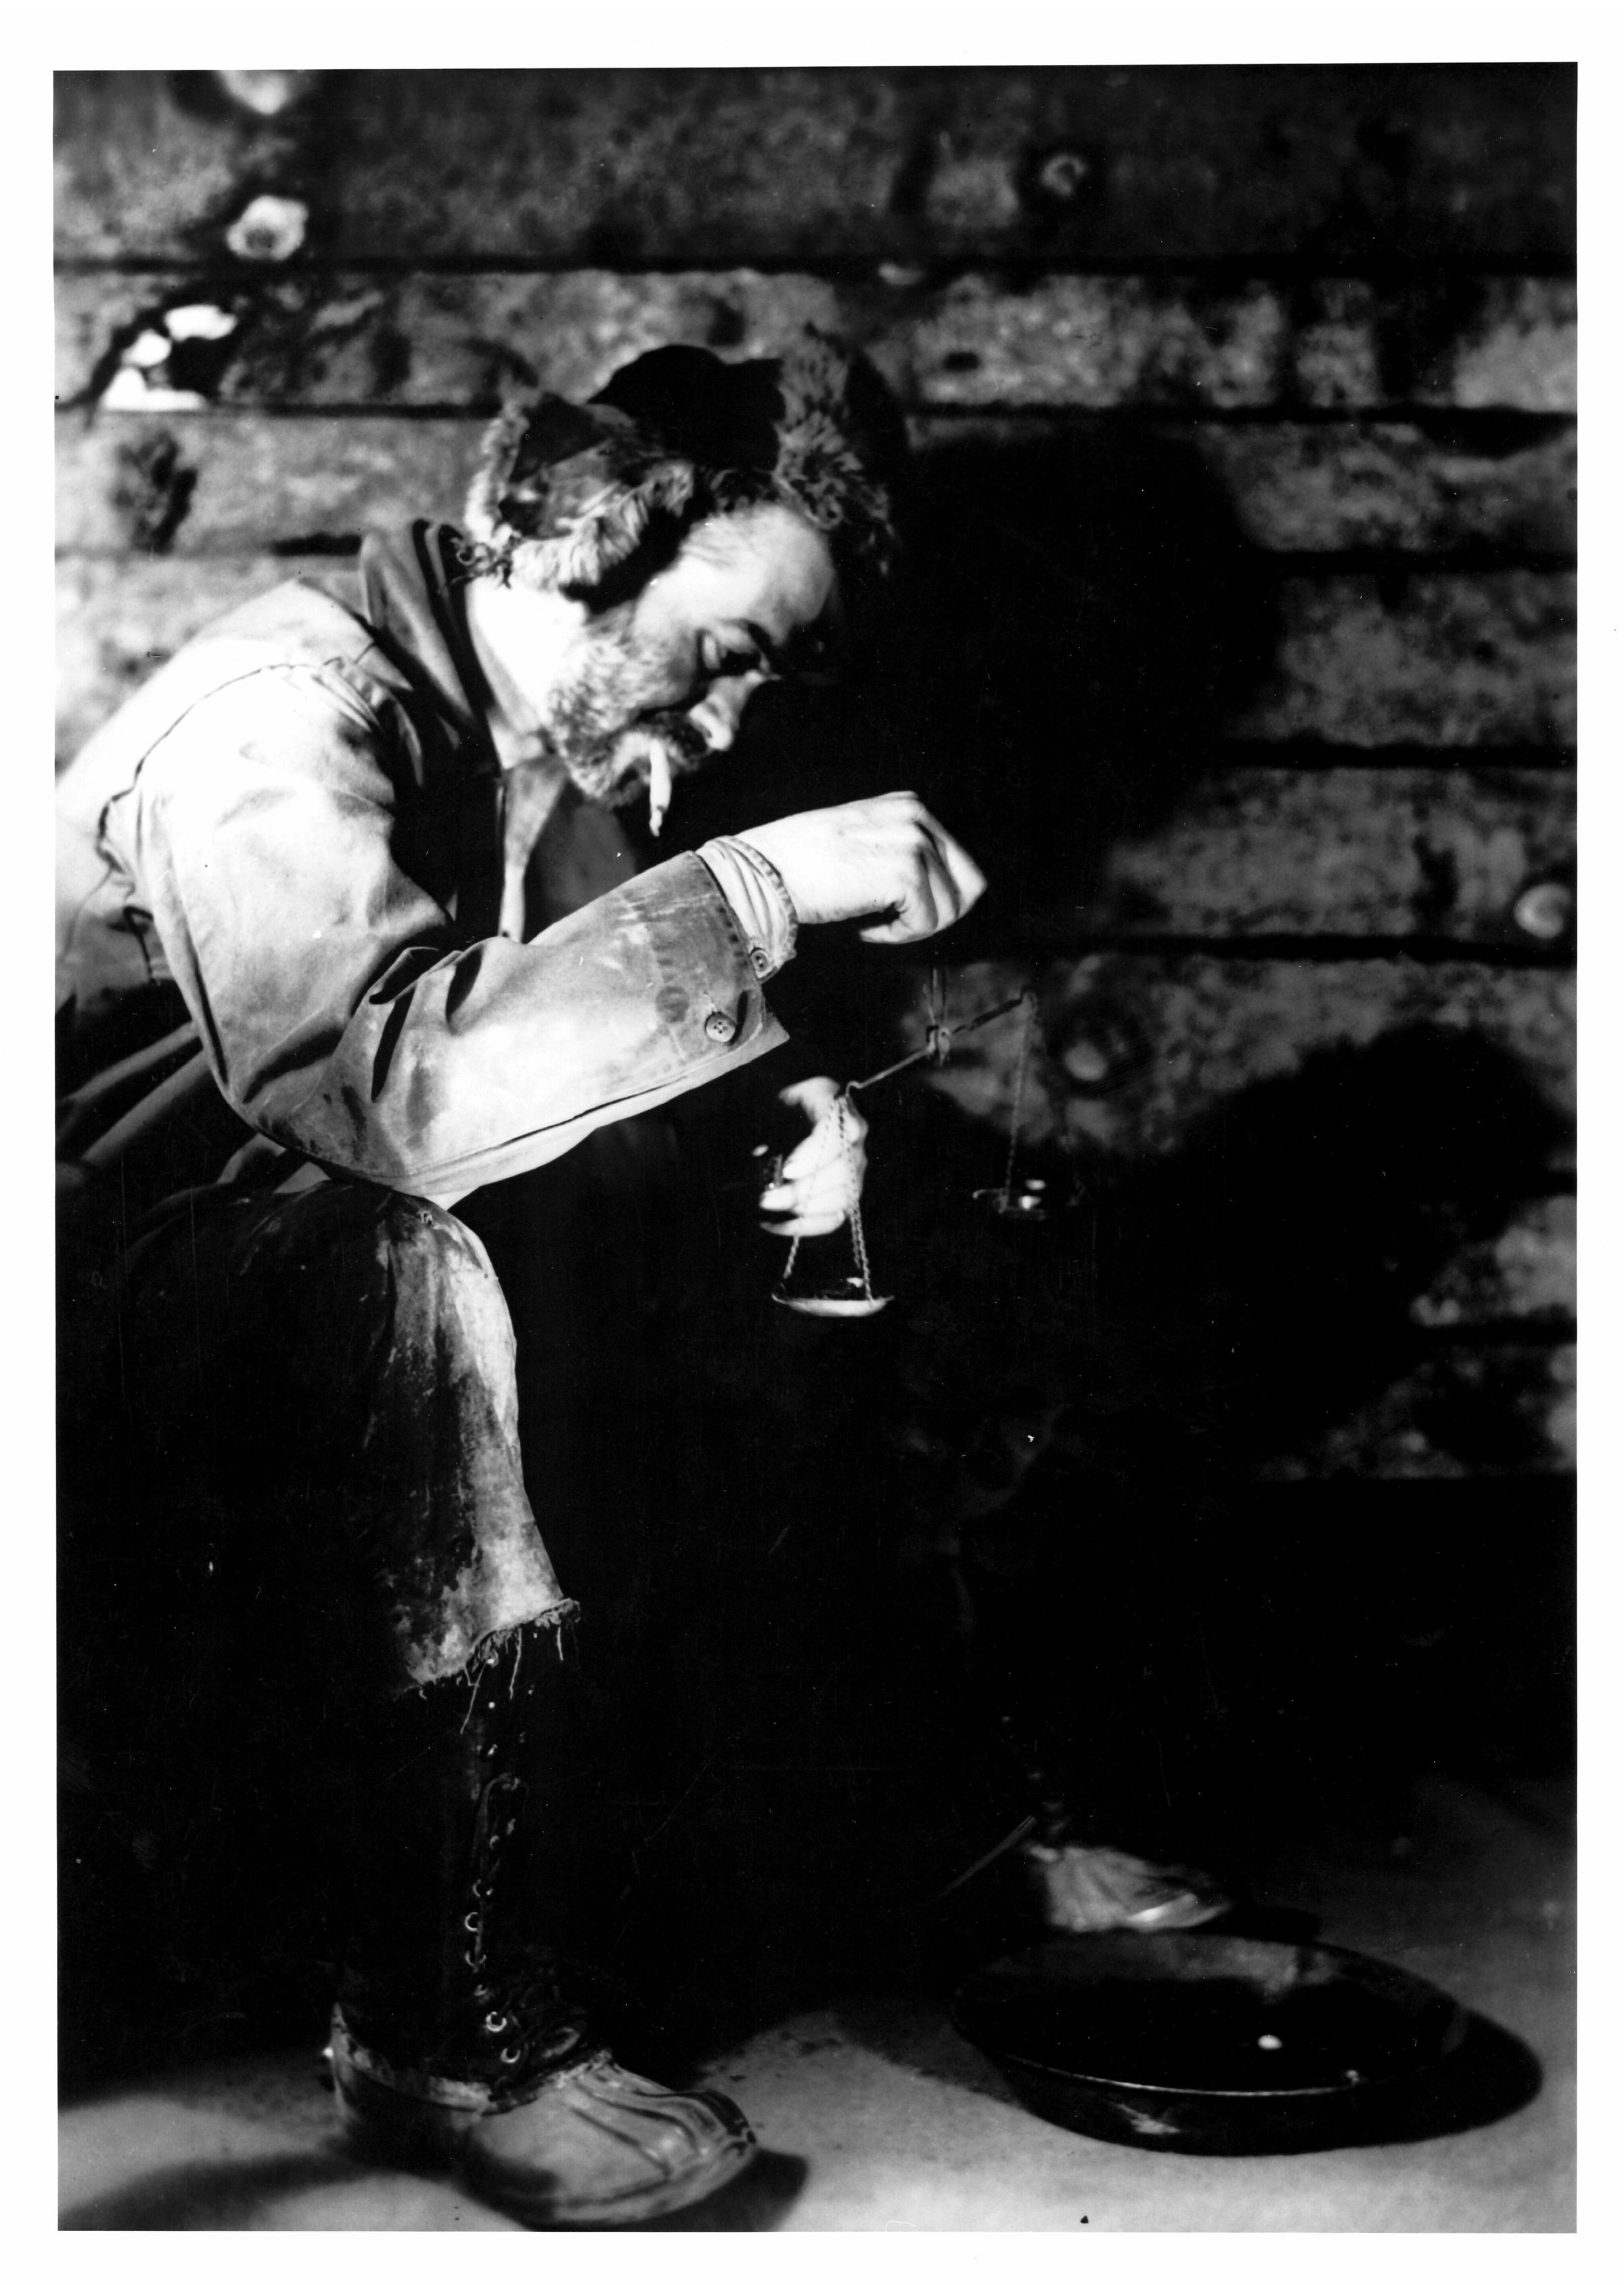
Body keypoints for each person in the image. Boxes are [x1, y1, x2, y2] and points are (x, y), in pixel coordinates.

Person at [55, 333, 987, 2226]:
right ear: (577, 549)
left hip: (206, 1318)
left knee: (780, 1231)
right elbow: (390, 1098)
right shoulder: (283, 714)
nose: (731, 721)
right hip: (61, 1334)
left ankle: (915, 1822)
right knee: (402, 1273)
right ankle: (439, 2032)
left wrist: (774, 1119)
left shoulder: (529, 755)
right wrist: (760, 891)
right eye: (725, 651)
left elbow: (539, 1059)